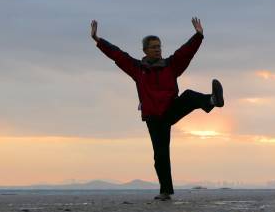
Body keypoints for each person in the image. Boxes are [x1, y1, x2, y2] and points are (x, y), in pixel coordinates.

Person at [91, 17, 224, 200]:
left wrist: (198, 36)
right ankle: (165, 191)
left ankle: (212, 100)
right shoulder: (137, 68)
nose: (158, 49)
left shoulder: (171, 65)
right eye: (154, 47)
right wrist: (98, 40)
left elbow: (185, 53)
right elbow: (118, 55)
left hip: (171, 109)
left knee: (189, 96)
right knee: (160, 154)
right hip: (154, 117)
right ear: (145, 50)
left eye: (159, 46)